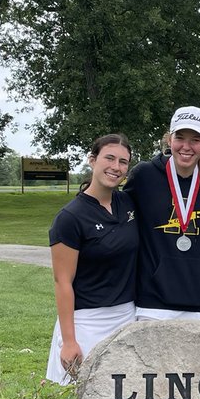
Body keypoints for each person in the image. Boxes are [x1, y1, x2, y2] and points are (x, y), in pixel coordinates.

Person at [46, 134, 138, 383]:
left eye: (123, 161)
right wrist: (69, 341)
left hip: (126, 318)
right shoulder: (70, 217)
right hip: (87, 322)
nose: (116, 167)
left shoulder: (128, 203)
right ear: (92, 160)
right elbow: (62, 282)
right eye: (109, 158)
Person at [124, 106, 200, 320]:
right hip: (154, 301)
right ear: (169, 139)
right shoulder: (144, 176)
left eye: (195, 140)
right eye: (180, 137)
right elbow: (120, 220)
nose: (186, 147)